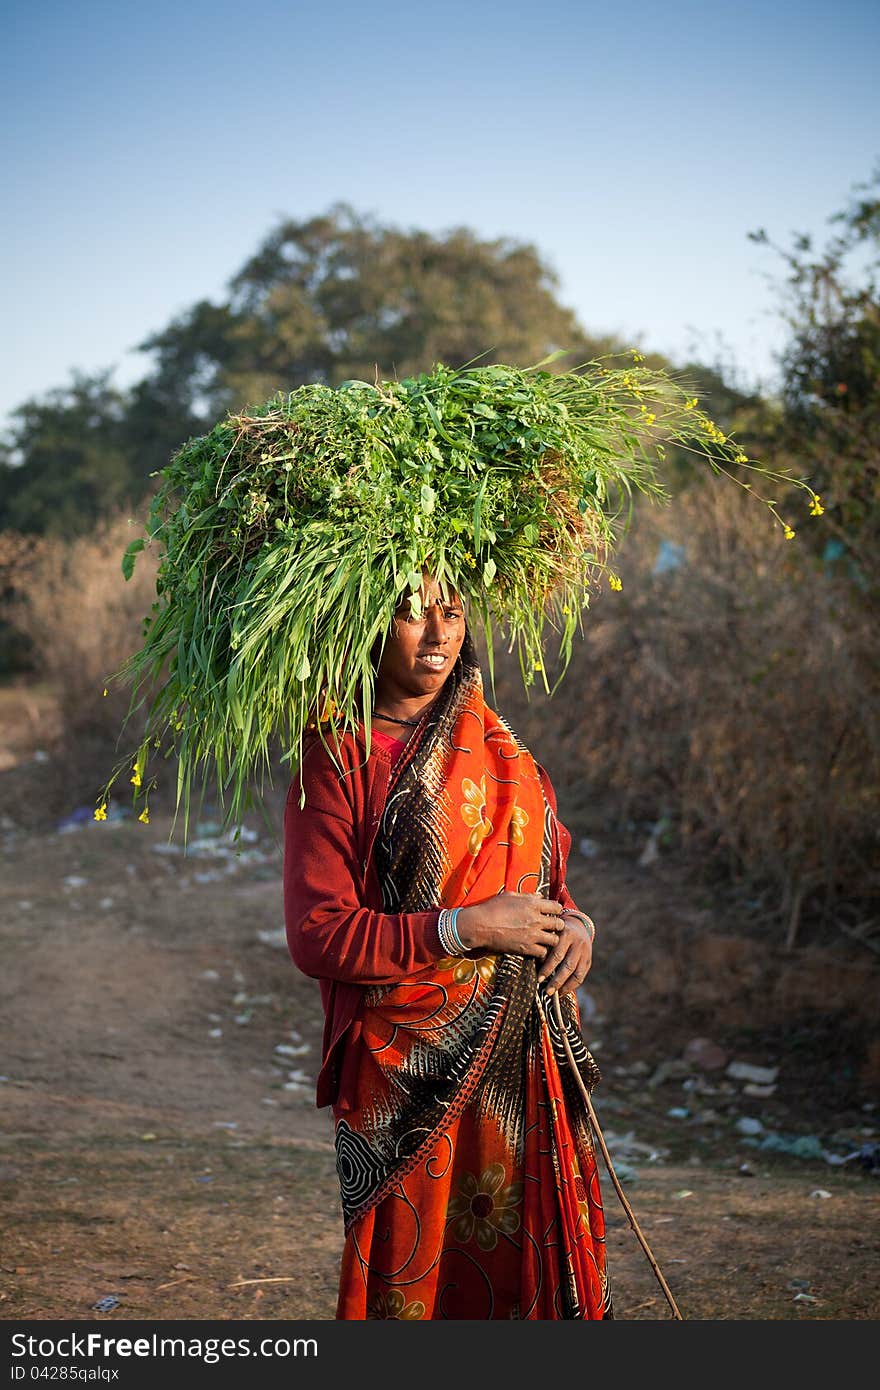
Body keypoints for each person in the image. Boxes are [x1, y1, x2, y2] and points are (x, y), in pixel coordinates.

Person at [283, 574, 611, 1320]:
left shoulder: (505, 754)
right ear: (368, 626)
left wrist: (576, 927)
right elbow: (318, 934)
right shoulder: (339, 758)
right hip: (405, 1079)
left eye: (453, 613)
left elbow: (548, 879)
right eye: (411, 614)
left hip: (520, 1065)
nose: (437, 634)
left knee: (522, 1269)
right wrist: (467, 928)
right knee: (417, 1283)